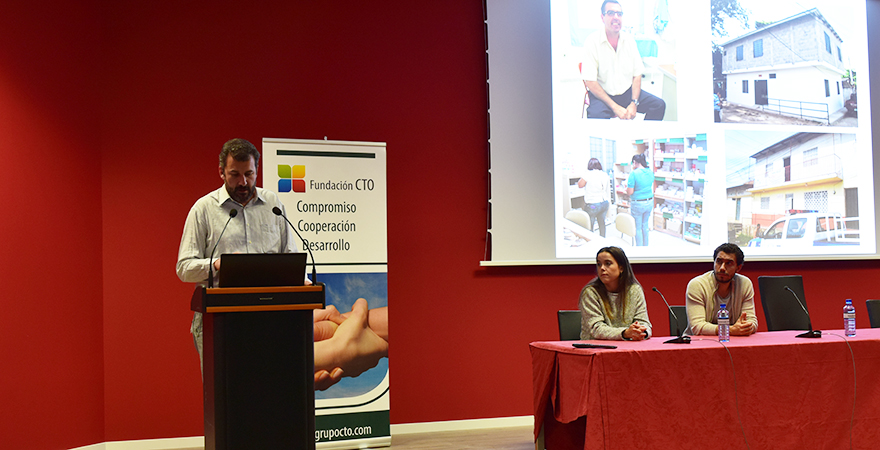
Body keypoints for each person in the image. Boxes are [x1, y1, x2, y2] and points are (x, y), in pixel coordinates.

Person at [177, 138, 386, 389]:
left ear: (257, 170)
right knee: (225, 395)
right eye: (234, 175)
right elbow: (184, 268)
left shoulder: (273, 204)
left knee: (268, 393)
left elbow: (290, 255)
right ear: (221, 171)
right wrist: (218, 264)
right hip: (220, 319)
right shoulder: (203, 209)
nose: (243, 182)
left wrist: (305, 281)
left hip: (271, 319)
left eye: (249, 174)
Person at [582, 0, 666, 120]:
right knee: (596, 116)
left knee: (658, 105)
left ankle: (641, 138)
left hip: (626, 93)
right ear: (602, 17)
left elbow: (637, 74)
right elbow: (590, 81)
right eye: (611, 13)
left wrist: (634, 102)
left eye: (619, 14)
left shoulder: (629, 41)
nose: (616, 17)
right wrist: (615, 107)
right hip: (603, 95)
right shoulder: (592, 42)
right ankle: (612, 139)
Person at [579, 246, 652, 340]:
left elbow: (644, 322)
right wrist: (625, 333)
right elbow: (596, 329)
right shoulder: (591, 292)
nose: (602, 268)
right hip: (596, 348)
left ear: (621, 268)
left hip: (627, 347)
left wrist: (642, 332)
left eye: (607, 264)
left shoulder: (634, 290)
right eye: (599, 264)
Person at [685, 243, 758, 336]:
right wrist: (730, 330)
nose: (722, 268)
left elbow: (752, 320)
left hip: (733, 341)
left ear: (738, 267)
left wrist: (747, 327)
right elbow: (697, 327)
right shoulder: (697, 285)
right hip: (699, 343)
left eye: (729, 263)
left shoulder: (744, 284)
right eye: (719, 262)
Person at [577, 158, 612, 237]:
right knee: (602, 223)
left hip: (593, 205)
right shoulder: (604, 174)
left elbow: (580, 185)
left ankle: (591, 242)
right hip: (604, 203)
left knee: (590, 225)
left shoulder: (588, 174)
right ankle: (603, 240)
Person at [626, 153, 654, 246]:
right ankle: (645, 247)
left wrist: (626, 188)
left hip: (638, 204)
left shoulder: (634, 173)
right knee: (645, 225)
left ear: (635, 162)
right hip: (649, 202)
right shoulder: (650, 172)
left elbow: (630, 192)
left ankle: (639, 250)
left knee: (638, 227)